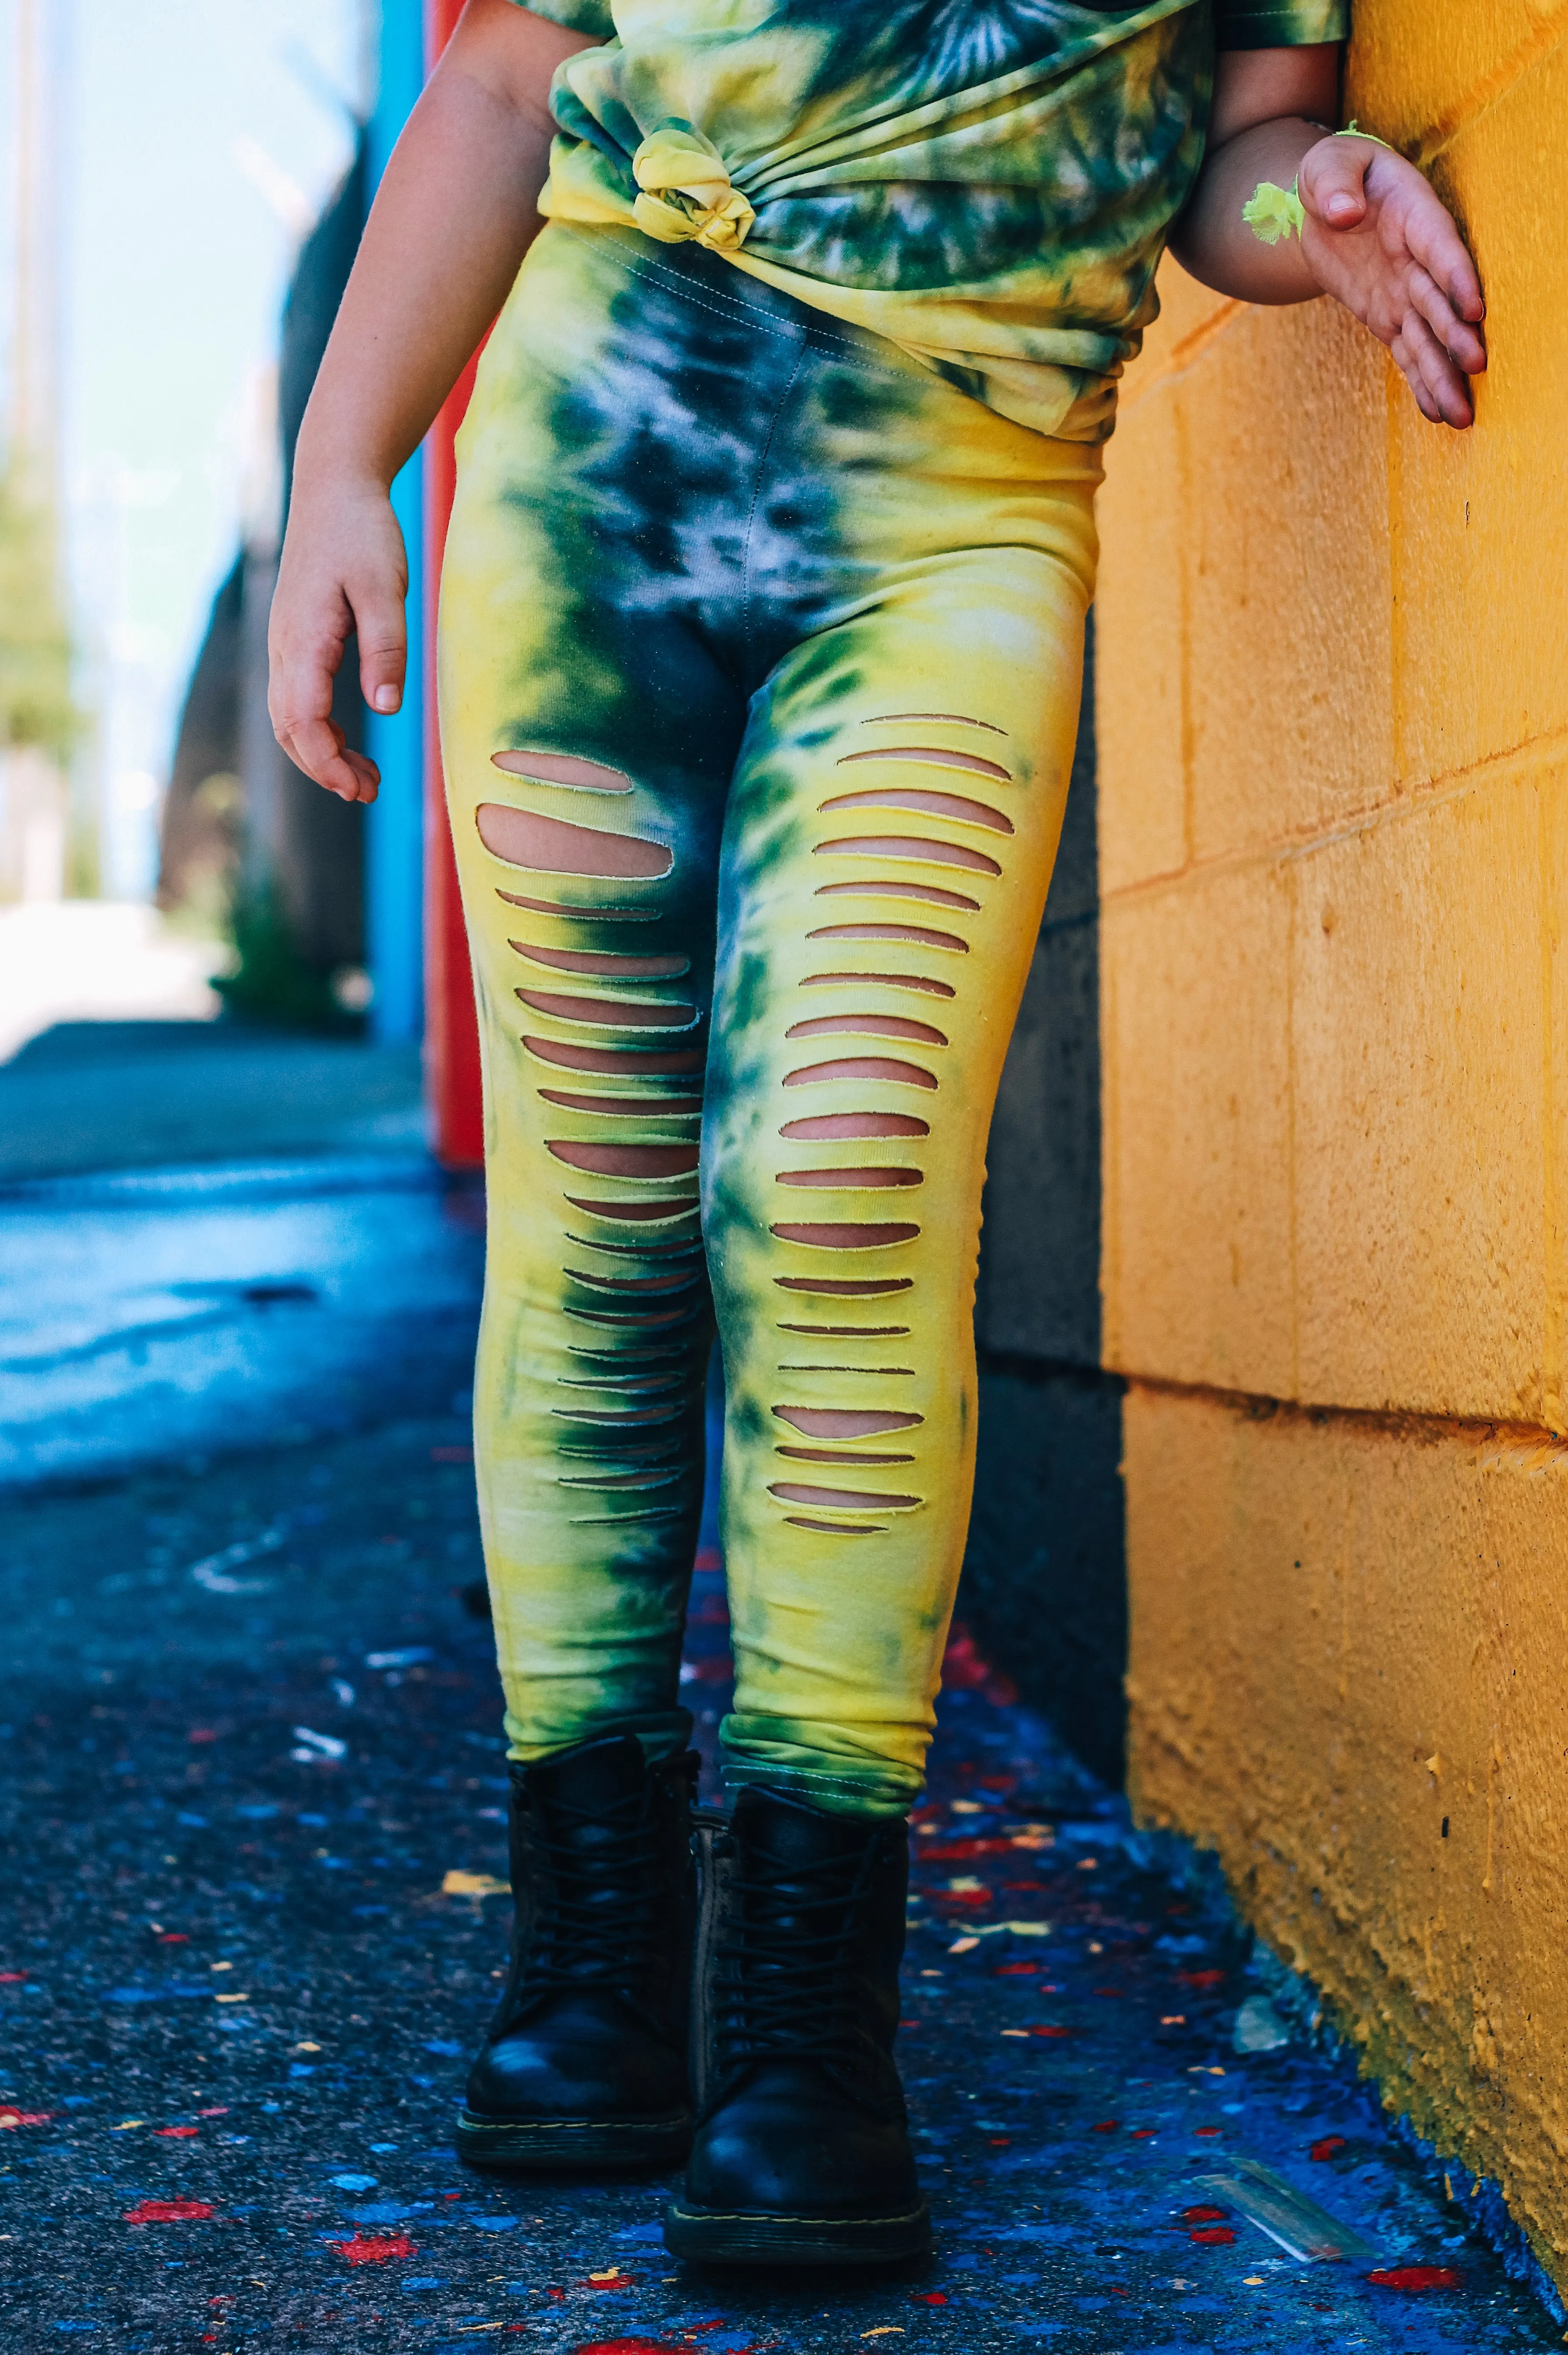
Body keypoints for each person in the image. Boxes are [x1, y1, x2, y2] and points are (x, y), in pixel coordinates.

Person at [268, 0, 1484, 2270]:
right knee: (603, 1220)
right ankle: (598, 1962)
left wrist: (1316, 214)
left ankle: (809, 2016)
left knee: (839, 1190)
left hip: (955, 514)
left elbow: (1238, 153)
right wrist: (340, 478)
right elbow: (508, 86)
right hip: (584, 440)